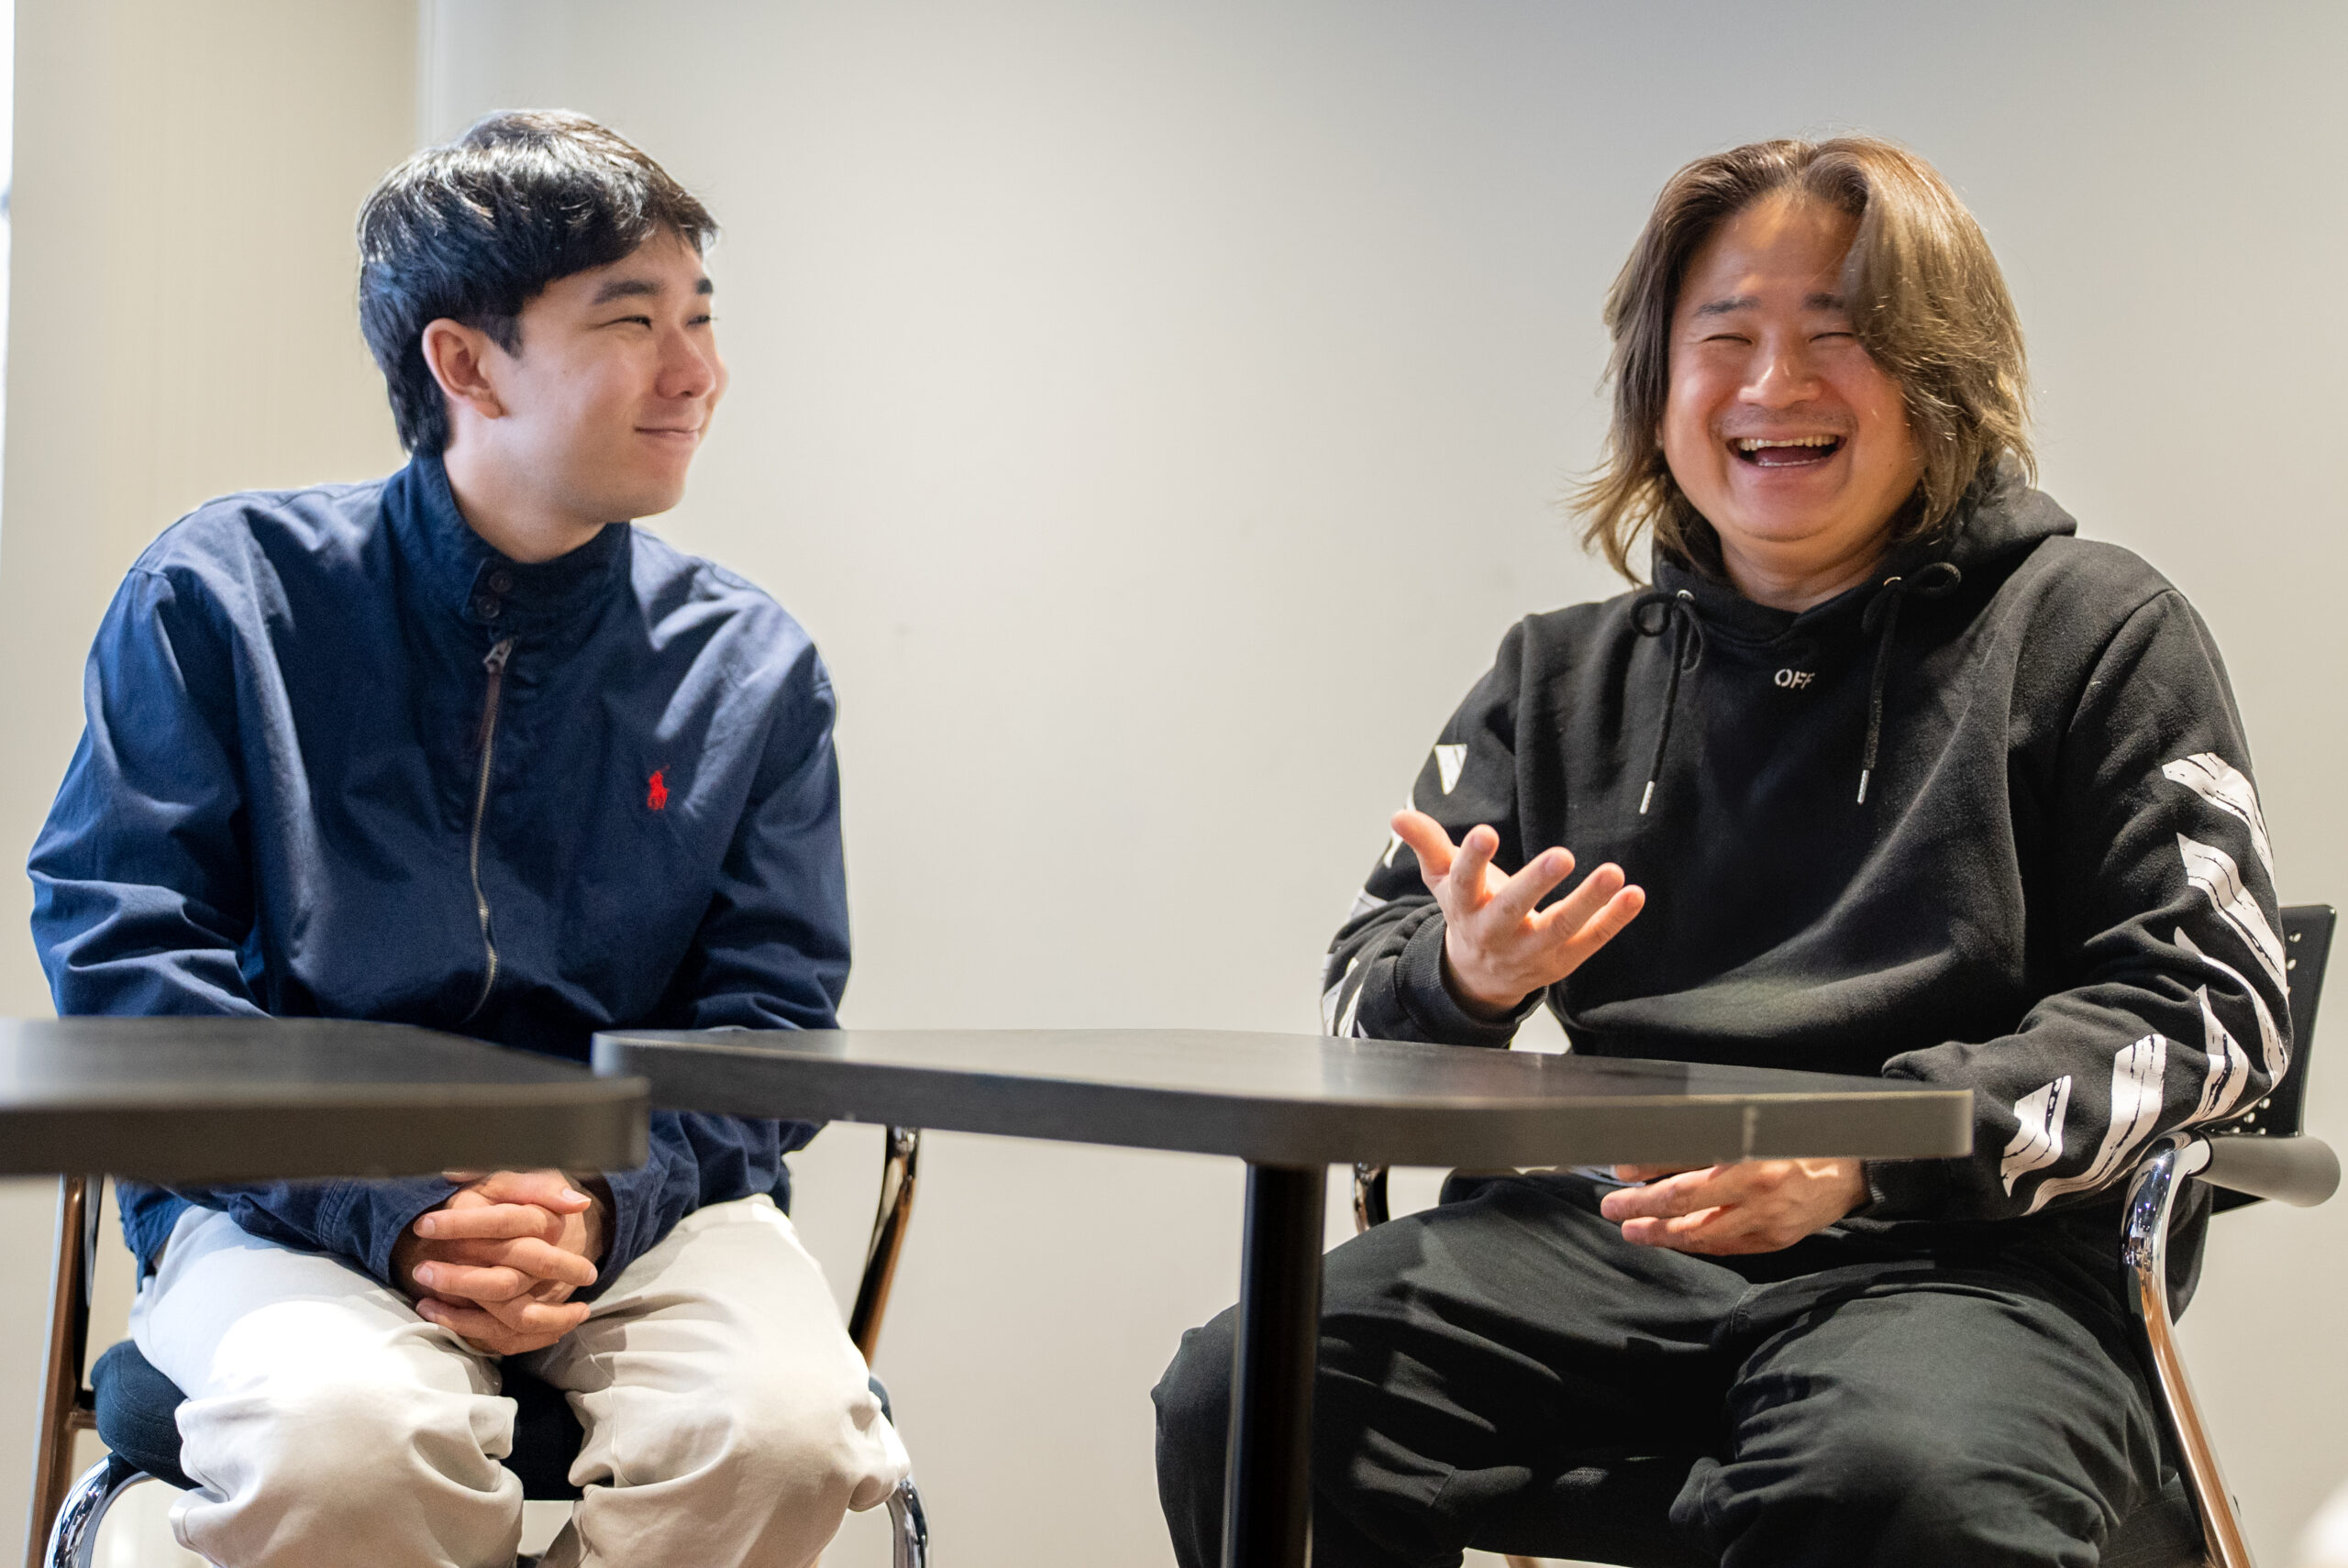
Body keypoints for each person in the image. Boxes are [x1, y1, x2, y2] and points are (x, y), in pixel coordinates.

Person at [1154, 136, 2288, 1567]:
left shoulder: (2097, 631)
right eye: (1727, 336)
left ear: (1943, 372)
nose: (1773, 385)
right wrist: (1463, 976)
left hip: (1968, 1266)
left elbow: (2209, 1011)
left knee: (1885, 1484)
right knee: (1247, 1399)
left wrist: (1868, 1154)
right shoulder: (1557, 676)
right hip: (1604, 1237)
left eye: (1840, 333)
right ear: (1658, 385)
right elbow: (1357, 1011)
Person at [28, 111, 906, 1568]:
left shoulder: (750, 667)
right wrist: (386, 1199)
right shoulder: (220, 601)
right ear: (466, 363)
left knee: (787, 1436)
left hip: (644, 1206)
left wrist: (597, 1203)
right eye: (631, 321)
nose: (697, 372)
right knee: (346, 1449)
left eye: (700, 317)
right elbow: (130, 966)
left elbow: (768, 1026)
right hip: (285, 1197)